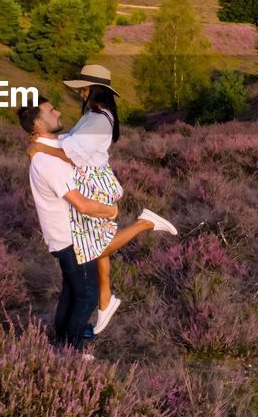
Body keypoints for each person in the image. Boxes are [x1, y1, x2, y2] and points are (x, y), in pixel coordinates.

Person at [28, 64, 177, 336]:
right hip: (93, 178)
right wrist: (45, 145)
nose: (81, 92)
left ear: (95, 90)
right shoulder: (95, 115)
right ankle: (106, 299)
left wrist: (41, 149)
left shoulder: (97, 120)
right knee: (94, 244)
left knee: (95, 247)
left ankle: (144, 223)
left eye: (84, 87)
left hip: (93, 182)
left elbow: (73, 154)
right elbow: (69, 142)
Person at [19, 97, 116, 353]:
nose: (59, 112)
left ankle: (61, 340)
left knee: (71, 292)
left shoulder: (50, 148)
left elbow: (72, 151)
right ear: (38, 124)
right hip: (71, 238)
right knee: (87, 297)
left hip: (65, 236)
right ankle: (71, 351)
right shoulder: (46, 160)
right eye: (52, 111)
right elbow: (81, 204)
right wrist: (109, 210)